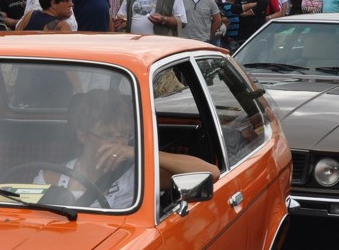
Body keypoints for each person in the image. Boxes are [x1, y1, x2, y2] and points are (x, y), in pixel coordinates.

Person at [35, 89, 219, 209]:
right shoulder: (51, 177)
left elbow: (212, 173)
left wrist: (139, 152)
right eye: (107, 135)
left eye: (124, 134)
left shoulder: (139, 175)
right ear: (83, 136)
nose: (119, 143)